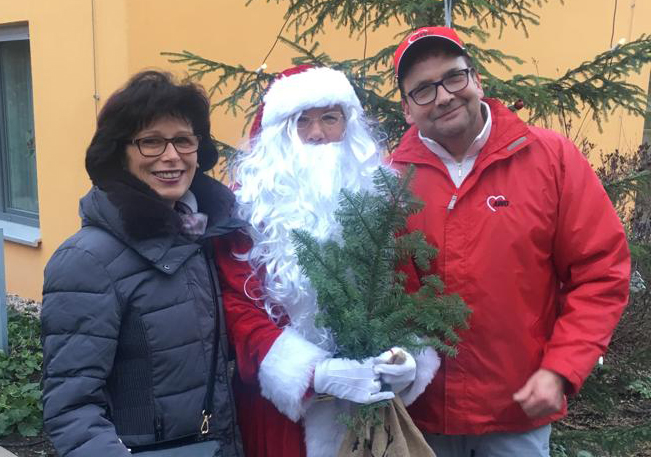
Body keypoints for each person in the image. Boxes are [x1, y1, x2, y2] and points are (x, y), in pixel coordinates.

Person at [390, 26, 631, 456]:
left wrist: (562, 368)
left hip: (516, 413)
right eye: (423, 90)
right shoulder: (389, 182)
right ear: (407, 109)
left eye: (453, 77)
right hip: (421, 416)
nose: (444, 96)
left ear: (476, 79)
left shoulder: (549, 158)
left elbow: (600, 272)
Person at [226, 65, 441, 457]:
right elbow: (238, 310)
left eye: (329, 118)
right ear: (278, 133)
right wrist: (315, 374)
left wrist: (407, 357)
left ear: (349, 126)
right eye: (301, 122)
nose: (317, 134)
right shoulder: (247, 210)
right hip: (284, 418)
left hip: (373, 413)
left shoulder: (379, 199)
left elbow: (407, 294)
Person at [41, 71, 246, 456]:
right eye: (151, 142)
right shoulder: (86, 261)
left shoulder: (208, 240)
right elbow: (72, 409)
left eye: (183, 140)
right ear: (120, 153)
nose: (171, 156)